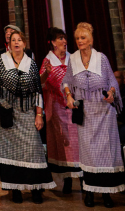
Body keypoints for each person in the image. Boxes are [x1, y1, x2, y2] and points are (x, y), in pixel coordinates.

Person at [61, 22, 124, 208]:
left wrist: (111, 93)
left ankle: (107, 195)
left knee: (106, 153)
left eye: (83, 38)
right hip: (86, 111)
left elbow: (112, 81)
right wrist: (69, 95)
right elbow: (66, 81)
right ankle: (89, 192)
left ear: (91, 40)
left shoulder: (101, 58)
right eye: (78, 38)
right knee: (88, 154)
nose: (80, 41)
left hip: (104, 112)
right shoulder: (72, 59)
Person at [0, 27, 55, 203]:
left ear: (24, 44)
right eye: (13, 40)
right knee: (10, 152)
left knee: (33, 149)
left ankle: (35, 189)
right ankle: (15, 189)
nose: (16, 42)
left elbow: (37, 90)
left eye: (19, 40)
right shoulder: (1, 61)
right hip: (7, 110)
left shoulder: (31, 63)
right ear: (8, 44)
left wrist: (39, 114)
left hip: (27, 111)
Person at [39, 26, 81, 193]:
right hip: (57, 108)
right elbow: (40, 83)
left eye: (64, 38)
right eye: (60, 39)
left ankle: (84, 181)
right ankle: (67, 180)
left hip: (75, 107)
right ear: (53, 43)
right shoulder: (48, 61)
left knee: (78, 143)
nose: (64, 41)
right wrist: (48, 76)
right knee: (63, 144)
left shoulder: (74, 59)